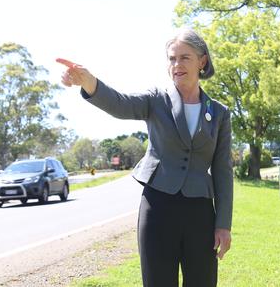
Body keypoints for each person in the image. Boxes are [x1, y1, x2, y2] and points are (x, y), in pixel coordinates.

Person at [56, 28, 233, 287]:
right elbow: (120, 103)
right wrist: (88, 82)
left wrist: (223, 225)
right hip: (158, 207)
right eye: (172, 59)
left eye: (184, 57)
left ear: (202, 61)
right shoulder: (155, 100)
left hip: (200, 213)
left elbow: (223, 171)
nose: (177, 65)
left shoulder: (218, 113)